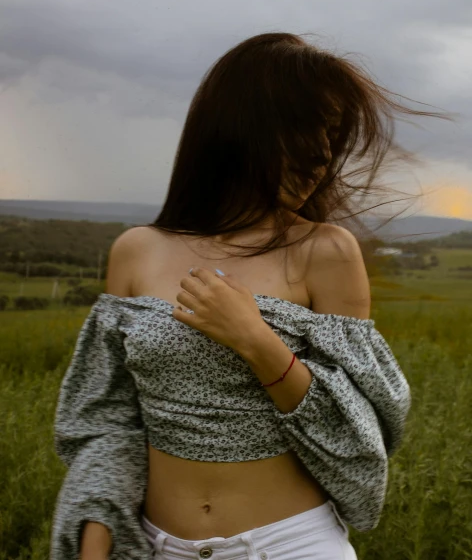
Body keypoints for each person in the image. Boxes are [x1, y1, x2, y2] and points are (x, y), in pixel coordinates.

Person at [51, 32, 451, 560]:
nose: (322, 153)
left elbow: (360, 432)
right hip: (151, 548)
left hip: (289, 545)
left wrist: (255, 339)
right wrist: (92, 545)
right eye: (306, 128)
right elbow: (109, 422)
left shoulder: (325, 252)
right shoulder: (136, 252)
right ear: (239, 126)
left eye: (332, 133)